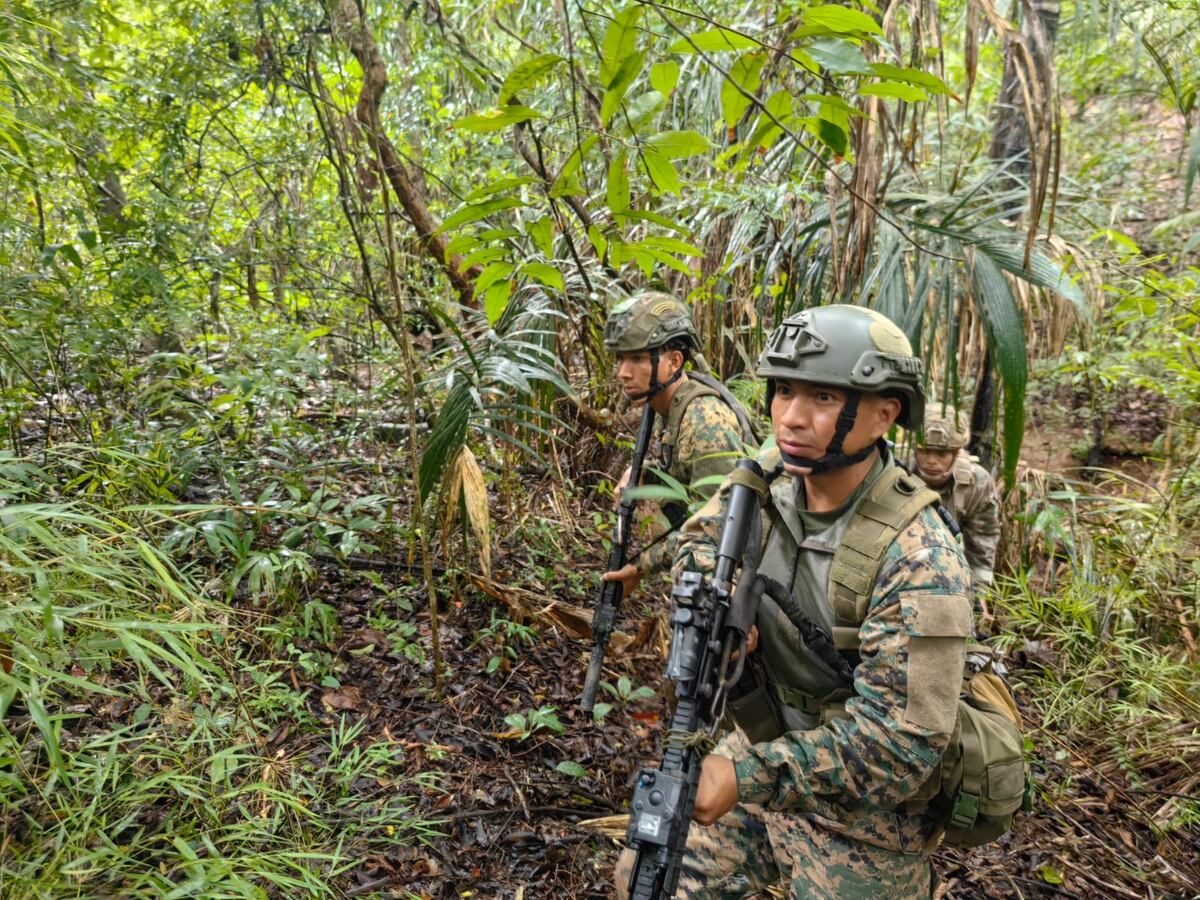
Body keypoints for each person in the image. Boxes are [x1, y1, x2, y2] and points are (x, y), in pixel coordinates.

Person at [618, 305, 973, 898]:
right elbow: (701, 537)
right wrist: (718, 596)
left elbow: (900, 746)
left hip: (863, 807)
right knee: (648, 877)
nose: (791, 417)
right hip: (768, 734)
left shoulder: (920, 556)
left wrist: (744, 775)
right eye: (783, 391)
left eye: (823, 398)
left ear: (884, 414)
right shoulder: (770, 477)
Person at [599, 292, 756, 601]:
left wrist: (640, 567)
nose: (623, 372)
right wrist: (644, 473)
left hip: (744, 555)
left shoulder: (705, 420)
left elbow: (715, 529)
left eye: (637, 359)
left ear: (674, 361)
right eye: (621, 359)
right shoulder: (665, 403)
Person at [911, 404, 1001, 618]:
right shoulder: (896, 472)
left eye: (942, 453)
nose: (931, 460)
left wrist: (979, 593)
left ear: (956, 452)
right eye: (924, 451)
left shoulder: (976, 483)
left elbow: (982, 540)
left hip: (950, 567)